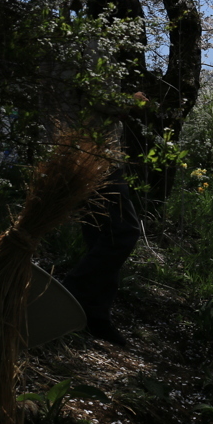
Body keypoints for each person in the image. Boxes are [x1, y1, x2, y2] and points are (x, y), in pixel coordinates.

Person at [62, 92, 148, 347]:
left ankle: (95, 316)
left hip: (79, 153)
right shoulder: (87, 51)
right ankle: (68, 297)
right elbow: (96, 94)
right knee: (123, 233)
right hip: (97, 157)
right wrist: (132, 101)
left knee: (102, 235)